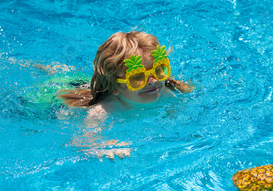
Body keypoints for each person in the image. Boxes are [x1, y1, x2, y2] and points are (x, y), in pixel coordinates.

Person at [56, 31, 193, 159]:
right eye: (137, 77)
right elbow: (80, 140)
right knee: (59, 77)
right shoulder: (104, 110)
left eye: (159, 70)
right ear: (114, 87)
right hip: (62, 92)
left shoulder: (166, 94)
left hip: (91, 81)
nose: (154, 81)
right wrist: (103, 145)